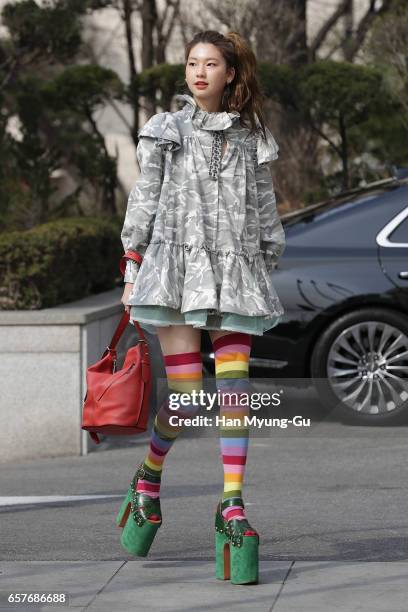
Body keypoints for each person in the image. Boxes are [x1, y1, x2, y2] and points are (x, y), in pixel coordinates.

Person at [116, 29, 286, 585]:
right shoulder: (166, 130)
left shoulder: (252, 138)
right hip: (175, 273)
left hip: (236, 274)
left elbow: (265, 209)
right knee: (190, 404)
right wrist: (132, 263)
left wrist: (265, 260)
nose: (199, 72)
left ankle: (232, 506)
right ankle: (148, 475)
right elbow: (144, 198)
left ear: (231, 74)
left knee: (235, 390)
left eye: (211, 64)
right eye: (192, 63)